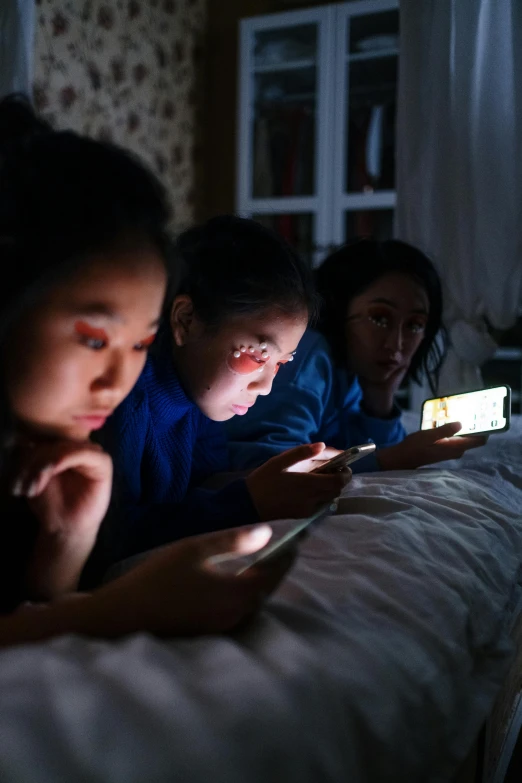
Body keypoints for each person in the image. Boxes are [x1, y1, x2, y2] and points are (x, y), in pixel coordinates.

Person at [0, 95, 290, 645]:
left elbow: (32, 630)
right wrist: (114, 610)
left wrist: (66, 539)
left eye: (141, 344)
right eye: (92, 338)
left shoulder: (59, 459)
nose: (116, 382)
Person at [101, 216, 349, 570]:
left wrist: (282, 477)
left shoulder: (197, 401)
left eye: (280, 363)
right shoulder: (125, 403)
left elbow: (205, 484)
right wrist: (248, 502)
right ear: (185, 320)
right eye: (259, 354)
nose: (266, 386)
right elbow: (111, 540)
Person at [227, 239, 485, 472]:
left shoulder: (351, 370)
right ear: (340, 306)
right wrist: (392, 459)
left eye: (414, 325)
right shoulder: (307, 355)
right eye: (380, 318)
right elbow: (270, 463)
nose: (396, 344)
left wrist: (381, 397)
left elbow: (354, 447)